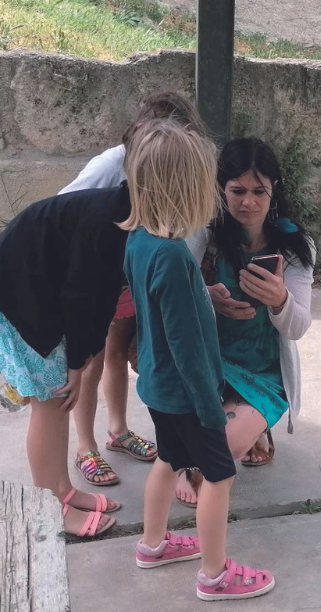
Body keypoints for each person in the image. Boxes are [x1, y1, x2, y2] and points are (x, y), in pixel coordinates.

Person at [0, 137, 173, 538]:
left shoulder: (128, 214)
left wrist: (83, 358)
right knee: (50, 400)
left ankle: (62, 489)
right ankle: (50, 508)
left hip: (37, 293)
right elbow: (82, 296)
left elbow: (100, 303)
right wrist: (79, 364)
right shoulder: (109, 221)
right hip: (12, 295)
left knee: (58, 399)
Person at [125, 122, 277, 601]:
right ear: (187, 190)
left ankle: (153, 545)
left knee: (169, 460)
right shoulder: (174, 256)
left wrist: (200, 294)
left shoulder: (140, 241)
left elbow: (156, 312)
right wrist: (211, 408)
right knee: (219, 475)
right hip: (188, 394)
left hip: (155, 385)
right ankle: (216, 575)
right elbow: (187, 345)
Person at [59, 92, 209, 488]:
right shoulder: (109, 165)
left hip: (130, 275)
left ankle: (118, 430)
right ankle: (85, 446)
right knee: (89, 360)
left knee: (116, 352)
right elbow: (65, 209)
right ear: (144, 135)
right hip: (99, 274)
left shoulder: (163, 170)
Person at [173, 137, 316, 507]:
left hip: (263, 370)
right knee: (202, 448)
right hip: (209, 362)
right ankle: (224, 436)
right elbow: (171, 296)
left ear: (274, 192)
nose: (248, 202)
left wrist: (280, 300)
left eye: (258, 191)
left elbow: (298, 326)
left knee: (219, 447)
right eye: (237, 190)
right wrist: (208, 298)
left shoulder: (295, 246)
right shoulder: (203, 233)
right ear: (221, 189)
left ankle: (252, 426)